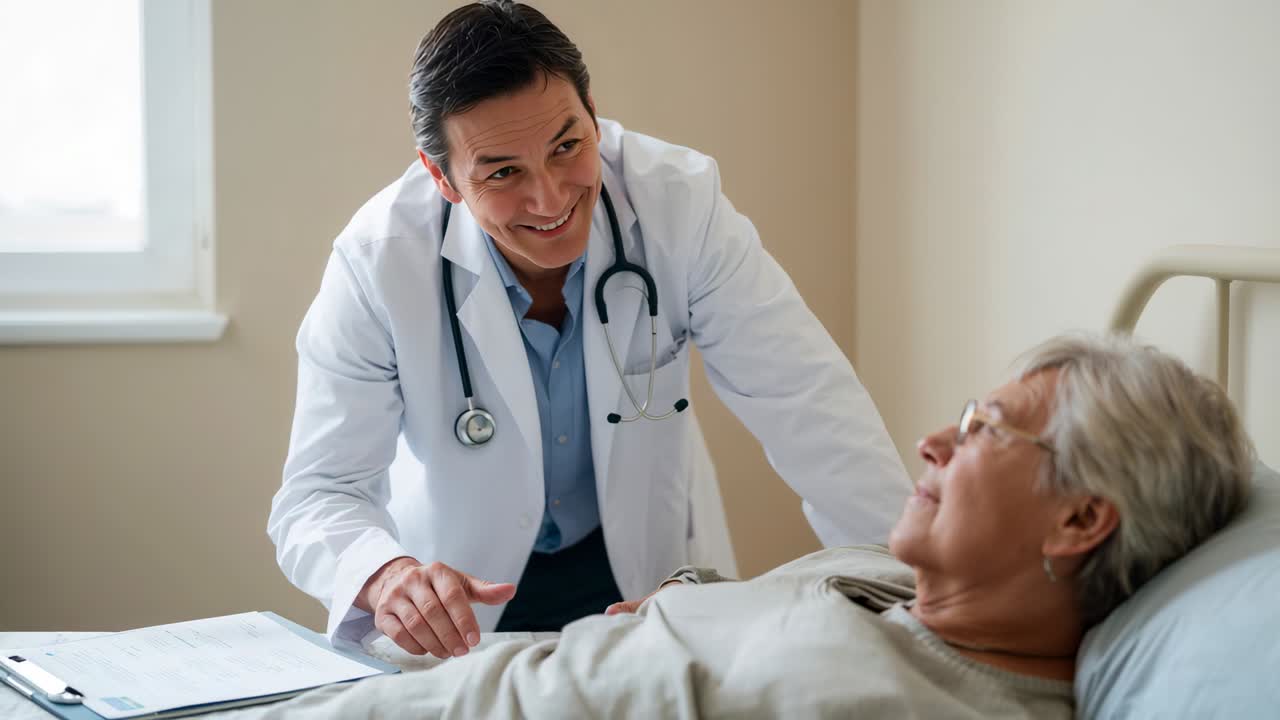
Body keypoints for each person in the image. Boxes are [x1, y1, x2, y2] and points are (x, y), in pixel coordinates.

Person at [268, 0, 909, 658]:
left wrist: (916, 591)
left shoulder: (677, 205)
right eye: (502, 172)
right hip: (462, 603)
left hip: (638, 581)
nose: (549, 199)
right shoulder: (380, 260)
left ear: (593, 116)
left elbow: (808, 402)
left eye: (566, 146)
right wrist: (387, 576)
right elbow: (319, 494)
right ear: (443, 177)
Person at [257, 334, 1254, 718]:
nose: (931, 442)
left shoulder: (911, 708)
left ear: (1079, 518)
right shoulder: (895, 582)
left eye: (984, 428)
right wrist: (688, 601)